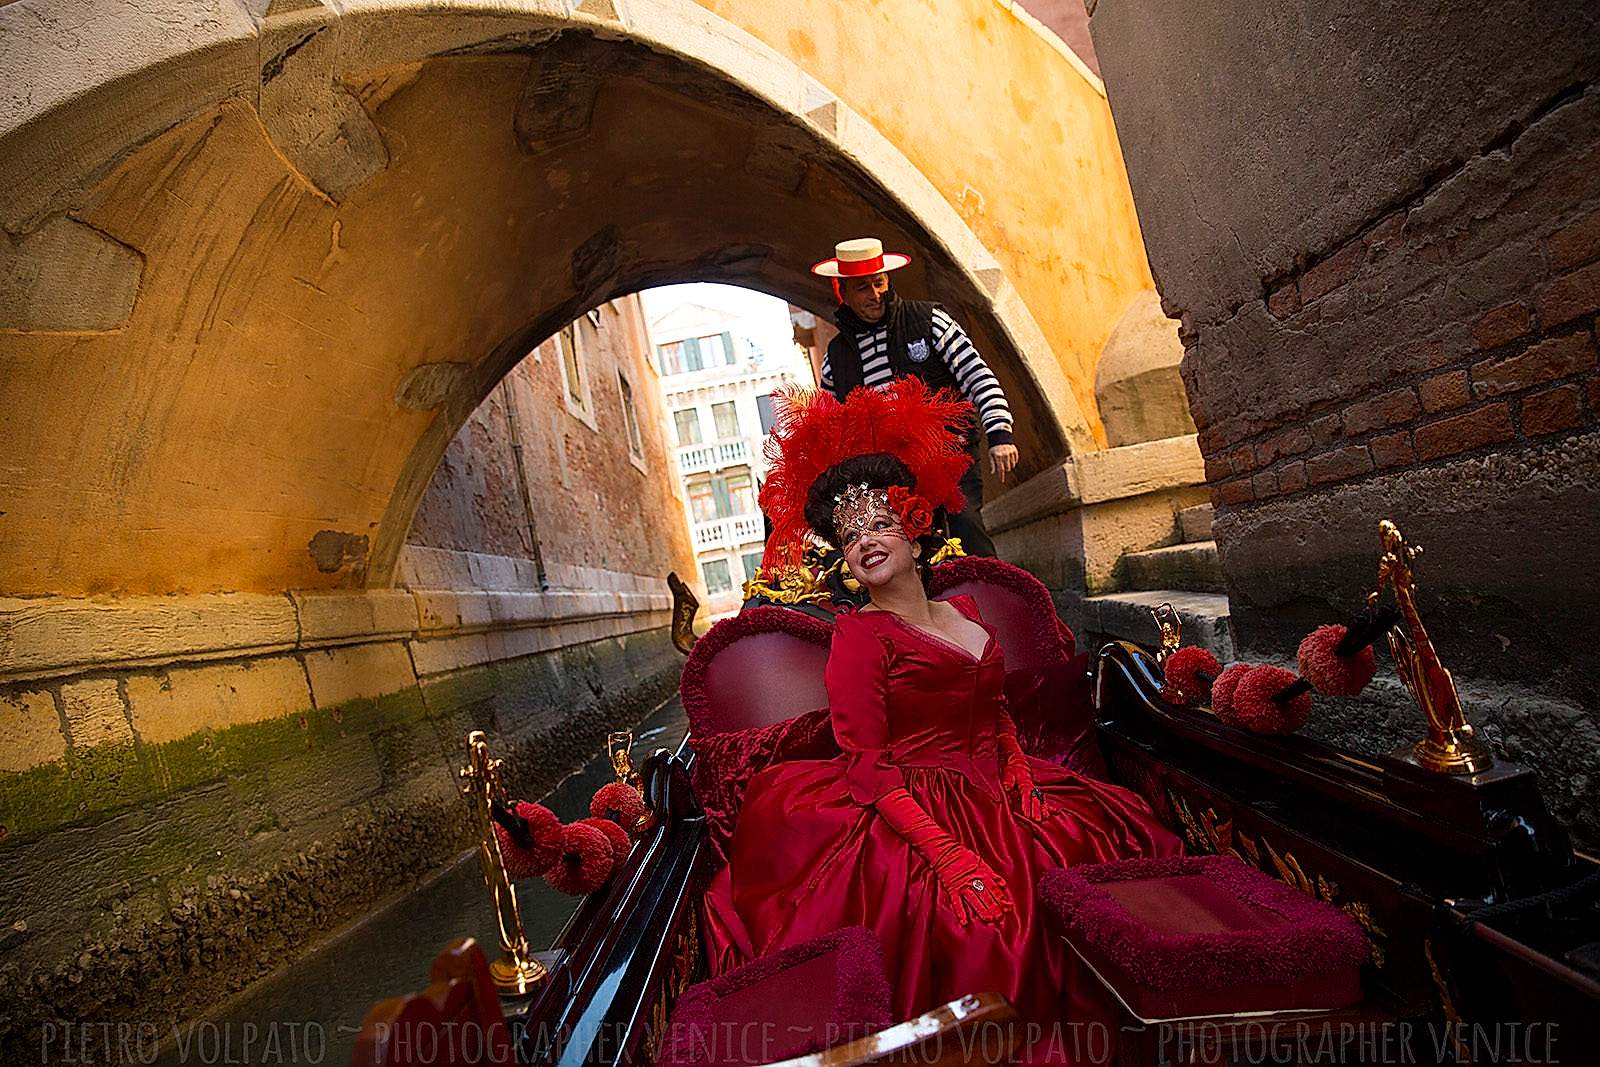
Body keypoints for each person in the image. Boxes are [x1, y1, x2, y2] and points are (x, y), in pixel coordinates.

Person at [700, 381, 1180, 1035]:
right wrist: (949, 856)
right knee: (986, 922)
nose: (864, 542)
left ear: (914, 526)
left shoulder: (966, 612)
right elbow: (866, 768)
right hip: (907, 803)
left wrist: (1016, 769)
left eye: (878, 524)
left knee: (1112, 847)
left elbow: (996, 713)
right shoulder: (859, 638)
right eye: (848, 536)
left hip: (999, 784)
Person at [811, 237, 1017, 557]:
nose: (876, 295)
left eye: (879, 283)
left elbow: (978, 376)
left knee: (966, 530)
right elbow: (831, 429)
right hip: (889, 477)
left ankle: (990, 602)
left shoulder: (929, 320)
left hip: (950, 454)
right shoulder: (835, 359)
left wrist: (1000, 434)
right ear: (844, 293)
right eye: (863, 288)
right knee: (911, 551)